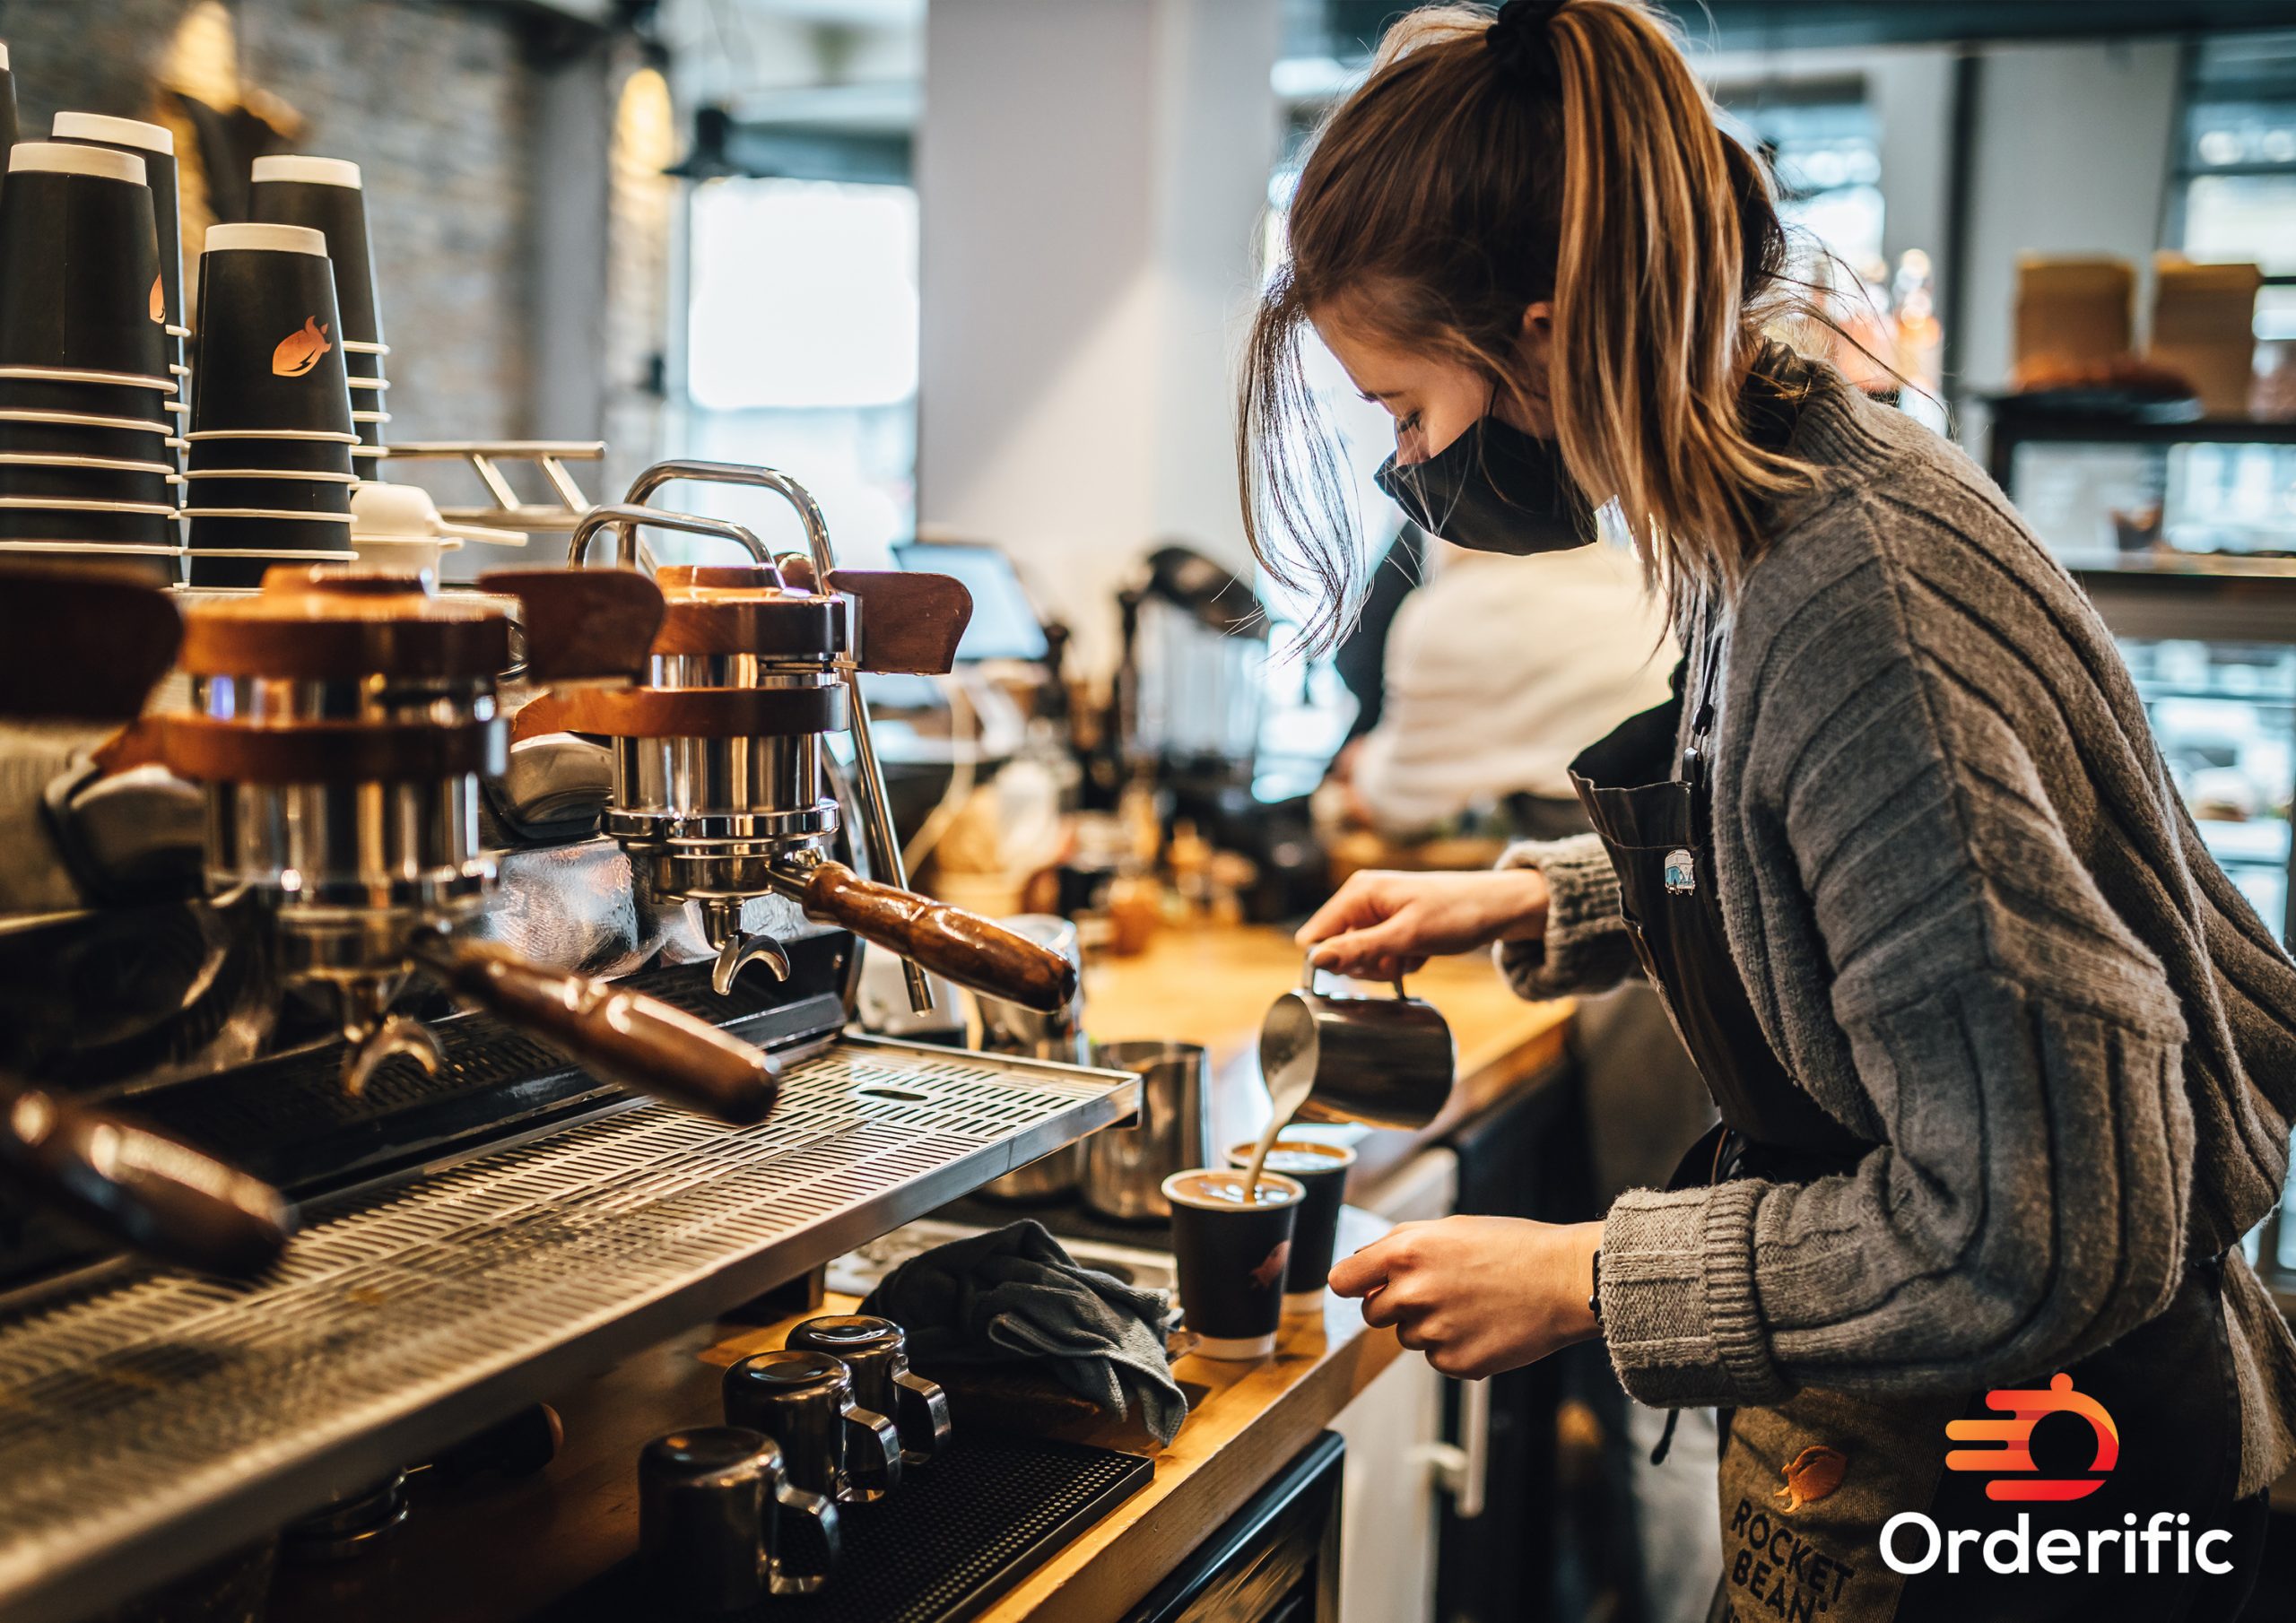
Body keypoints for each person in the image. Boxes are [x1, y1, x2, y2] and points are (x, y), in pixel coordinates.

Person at [1237, 4, 2296, 1619]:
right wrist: (1545, 897)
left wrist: (1590, 1274)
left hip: (2051, 1493)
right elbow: (1814, 842)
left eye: (1403, 411)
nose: (1408, 463)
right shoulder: (1785, 485)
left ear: (1537, 334)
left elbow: (2033, 1231)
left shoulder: (1859, 606)